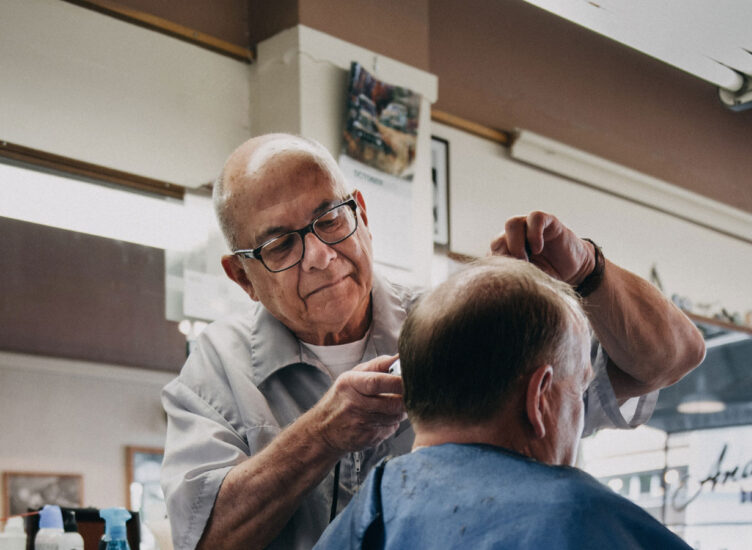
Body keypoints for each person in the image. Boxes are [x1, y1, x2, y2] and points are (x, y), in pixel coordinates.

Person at [160, 134, 705, 550]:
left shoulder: (453, 321)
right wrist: (322, 435)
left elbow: (672, 359)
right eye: (280, 244)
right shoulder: (216, 373)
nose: (322, 255)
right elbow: (204, 541)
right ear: (241, 276)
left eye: (330, 219)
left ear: (361, 215)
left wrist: (588, 270)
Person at [314, 256, 693, 549]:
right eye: (578, 389)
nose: (579, 414)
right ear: (539, 397)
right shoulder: (585, 516)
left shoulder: (368, 511)